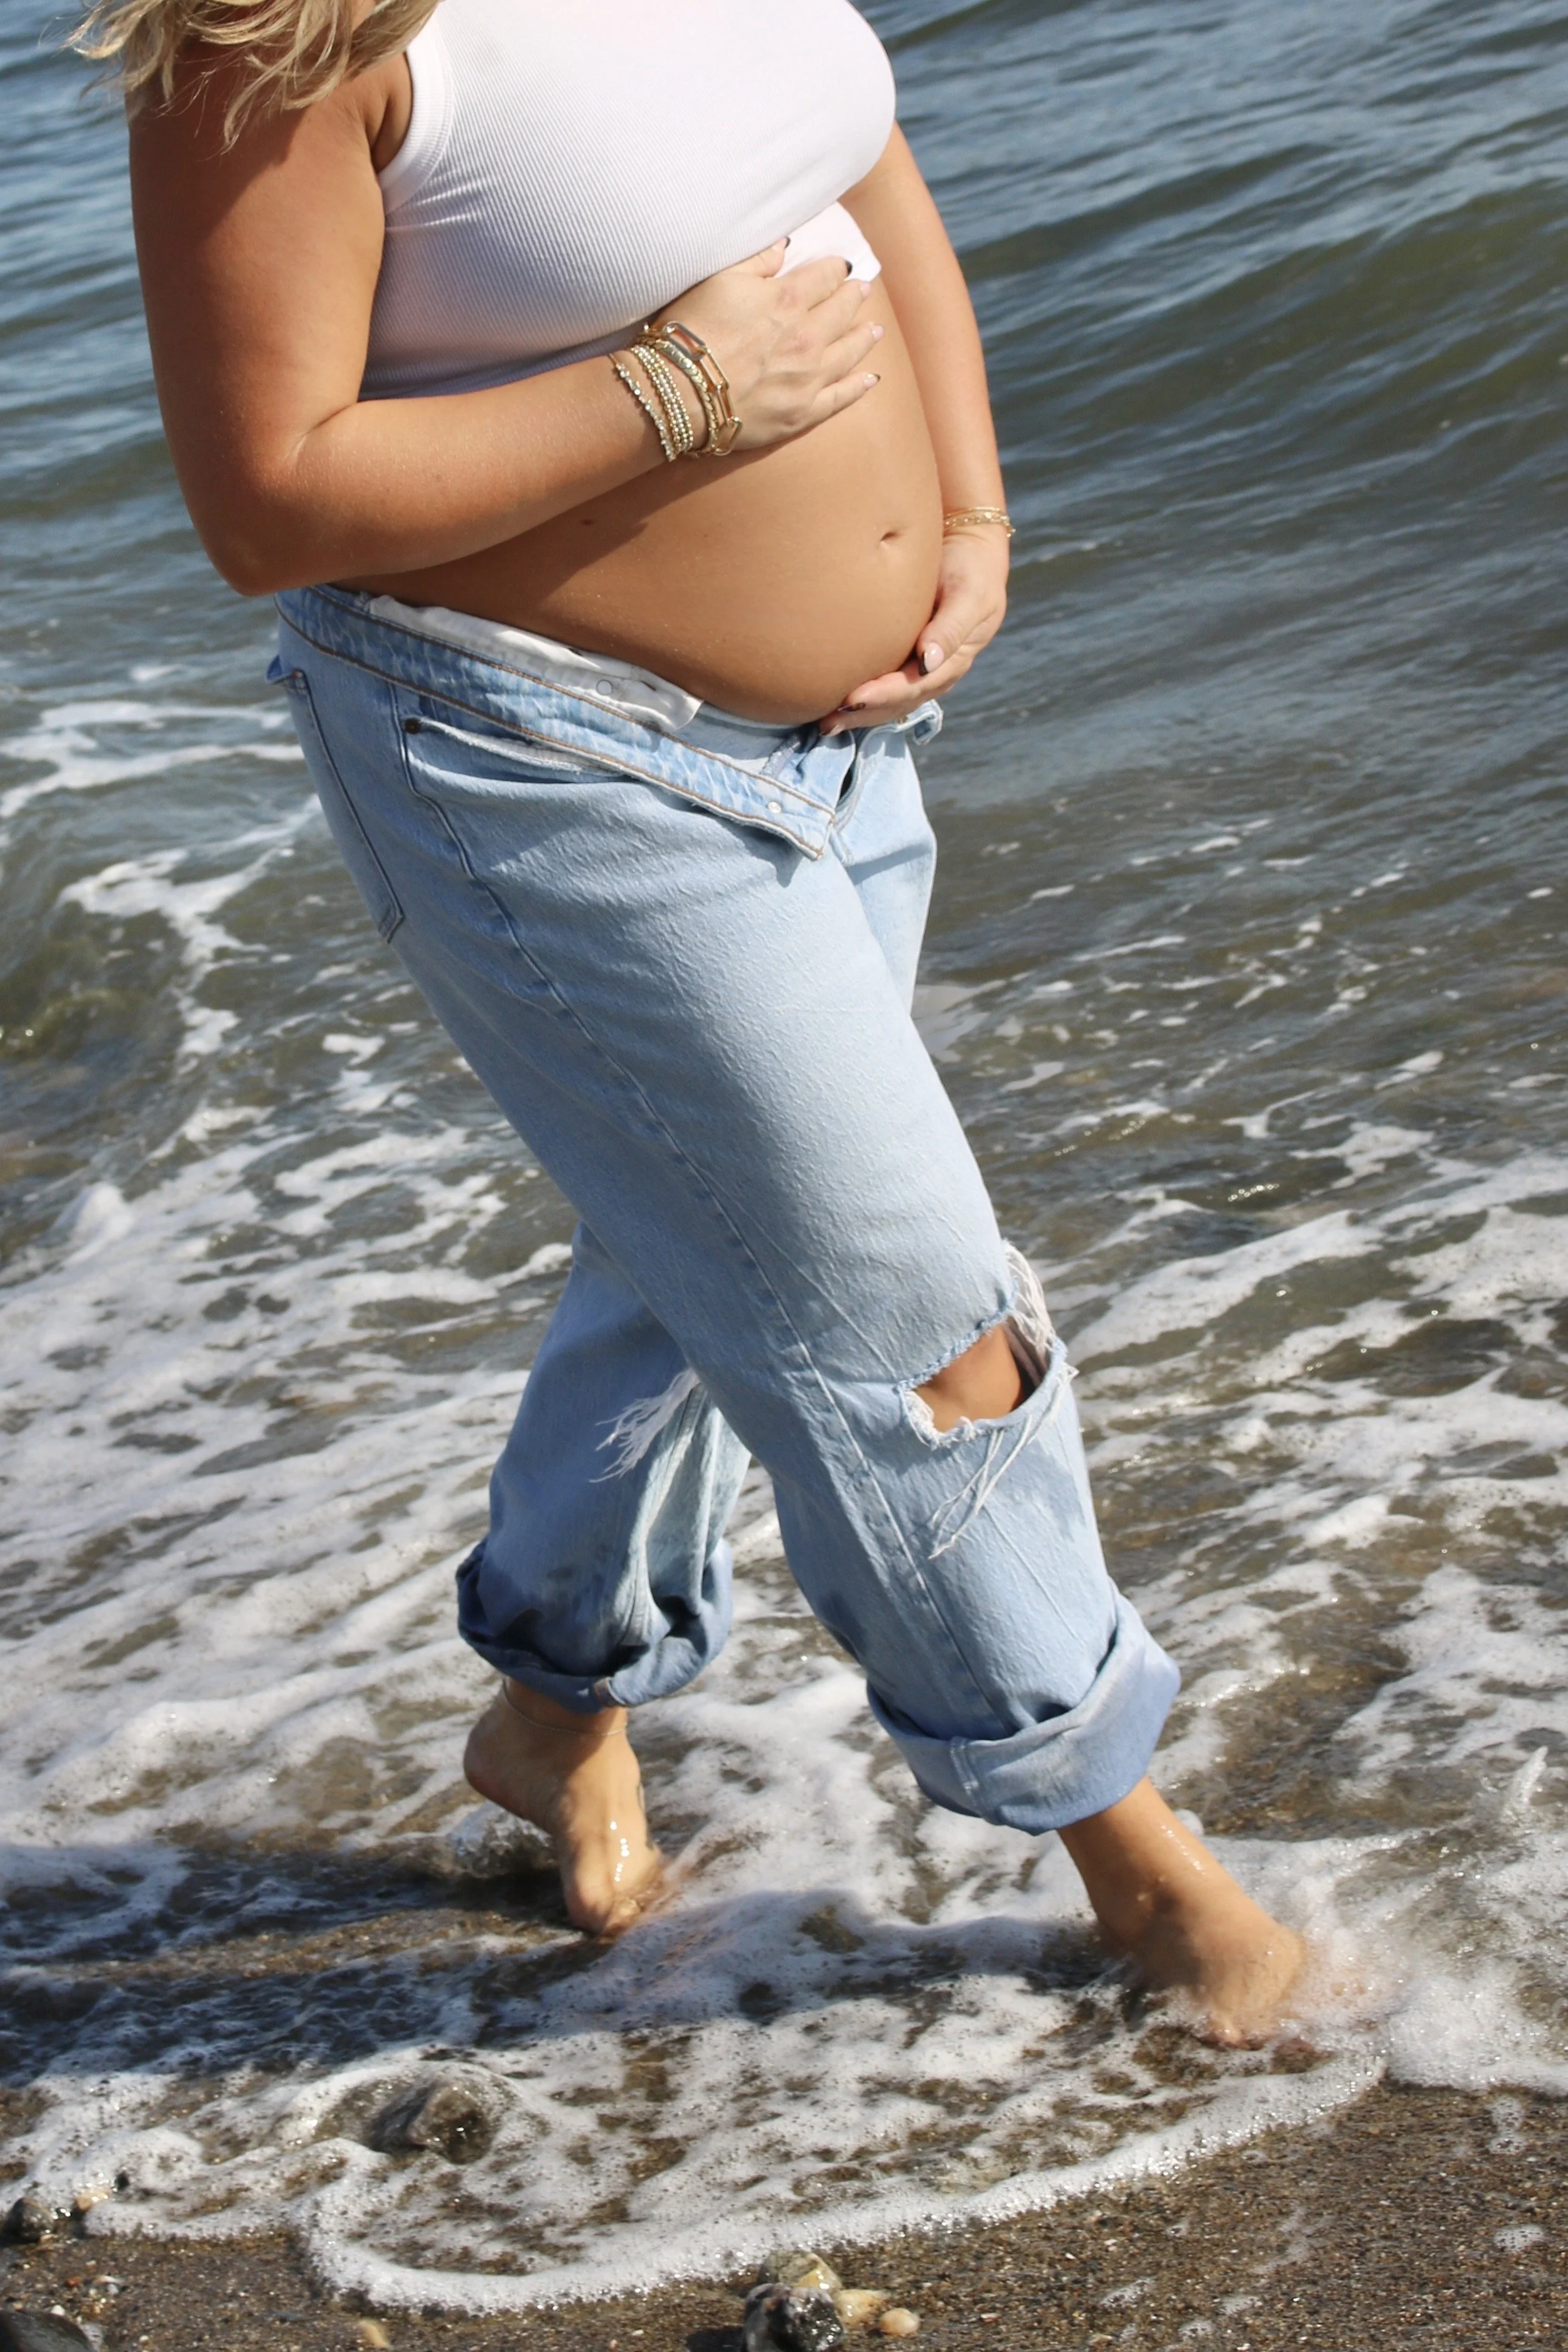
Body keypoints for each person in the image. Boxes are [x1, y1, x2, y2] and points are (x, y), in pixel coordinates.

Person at [78, 0, 1305, 2042]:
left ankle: (553, 1702)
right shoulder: (271, 35)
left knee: (702, 1251)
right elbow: (268, 496)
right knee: (917, 1330)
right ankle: (1147, 1878)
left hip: (841, 748)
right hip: (540, 755)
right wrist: (682, 392)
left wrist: (971, 513)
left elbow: (855, 162)